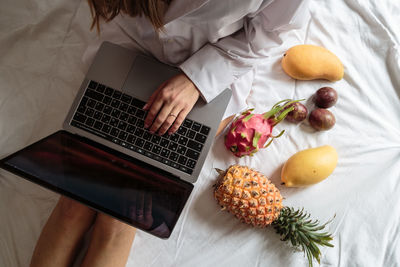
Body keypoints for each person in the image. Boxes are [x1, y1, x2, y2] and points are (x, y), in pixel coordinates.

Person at [30, 0, 310, 266]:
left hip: (213, 69)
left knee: (119, 218)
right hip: (133, 43)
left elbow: (269, 34)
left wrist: (195, 80)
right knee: (73, 204)